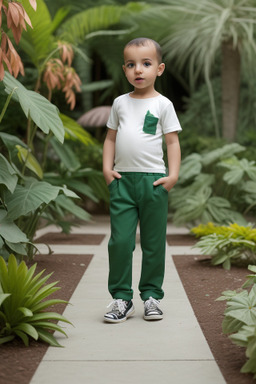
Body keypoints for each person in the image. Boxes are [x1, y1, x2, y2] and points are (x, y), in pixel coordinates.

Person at [103, 37, 182, 323]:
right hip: (122, 181)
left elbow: (172, 143)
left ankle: (151, 296)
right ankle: (121, 298)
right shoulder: (119, 103)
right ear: (124, 69)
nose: (139, 70)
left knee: (153, 243)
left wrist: (172, 175)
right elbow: (110, 137)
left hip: (154, 183)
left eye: (146, 64)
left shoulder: (164, 104)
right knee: (120, 242)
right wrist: (107, 170)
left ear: (159, 69)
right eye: (131, 64)